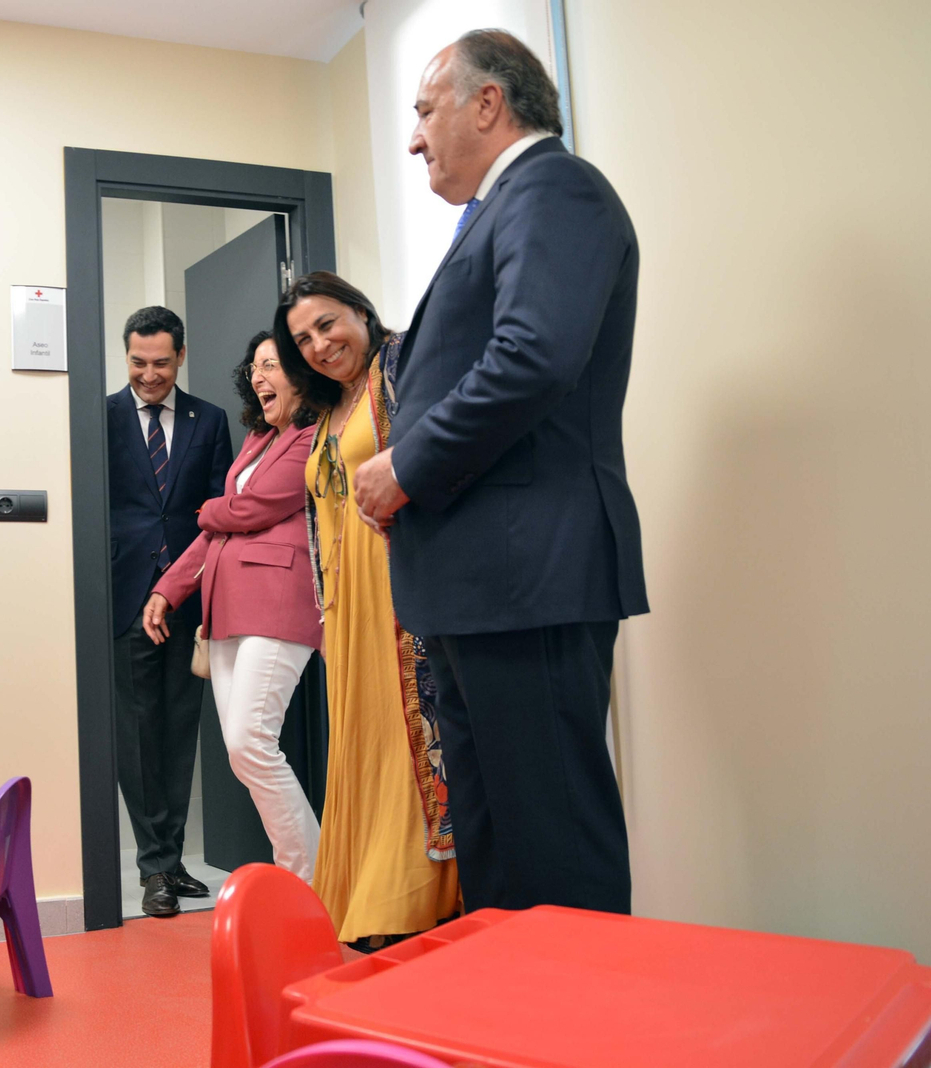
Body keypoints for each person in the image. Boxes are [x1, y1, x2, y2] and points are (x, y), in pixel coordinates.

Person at [352, 29, 648, 915]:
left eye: (423, 112)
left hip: (527, 577)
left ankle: (579, 1010)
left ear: (489, 103)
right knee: (497, 854)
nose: (414, 140)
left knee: (553, 852)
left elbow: (533, 356)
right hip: (482, 584)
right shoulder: (501, 210)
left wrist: (405, 466)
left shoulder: (554, 188)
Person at [274, 273, 459, 949]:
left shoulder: (403, 366)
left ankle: (411, 894)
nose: (320, 345)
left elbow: (440, 456)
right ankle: (363, 894)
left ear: (360, 310)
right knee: (364, 740)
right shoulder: (329, 407)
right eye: (303, 340)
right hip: (347, 605)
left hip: (396, 587)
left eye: (327, 324)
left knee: (405, 738)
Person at [142, 333, 324, 882]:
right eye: (254, 368)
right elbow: (222, 529)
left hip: (277, 603)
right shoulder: (258, 439)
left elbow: (256, 507)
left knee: (250, 743)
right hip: (223, 611)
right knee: (242, 753)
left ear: (301, 373)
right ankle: (309, 873)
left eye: (272, 365)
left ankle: (308, 879)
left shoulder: (313, 435)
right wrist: (169, 589)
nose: (258, 376)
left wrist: (209, 509)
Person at [106, 306, 234, 916]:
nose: (149, 375)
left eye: (161, 363)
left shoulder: (209, 420)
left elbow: (218, 512)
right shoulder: (101, 416)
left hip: (189, 597)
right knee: (137, 732)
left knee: (181, 729)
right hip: (127, 594)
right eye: (138, 362)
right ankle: (153, 864)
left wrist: (190, 584)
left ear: (180, 356)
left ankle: (171, 859)